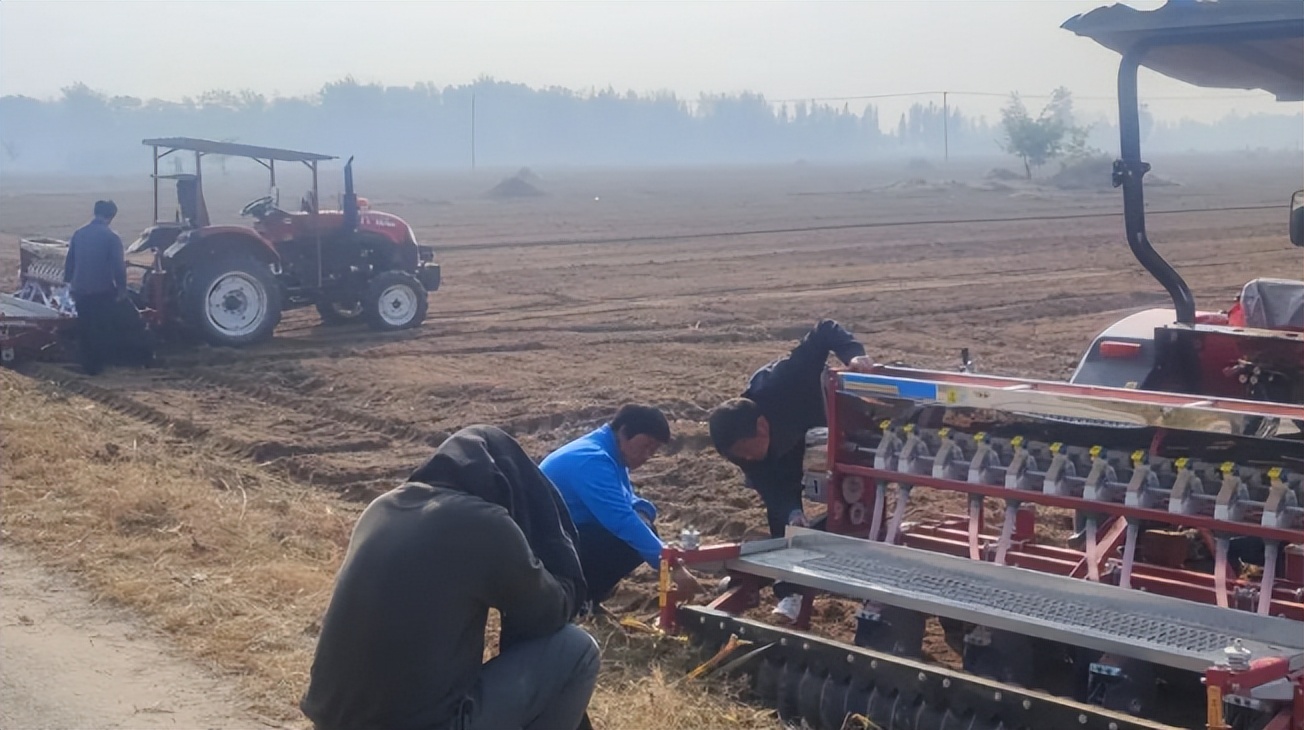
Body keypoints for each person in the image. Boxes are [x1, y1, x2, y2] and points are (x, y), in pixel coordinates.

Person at [301, 425, 600, 730]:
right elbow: (548, 611)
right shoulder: (484, 522)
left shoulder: (381, 507)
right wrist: (561, 567)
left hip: (330, 720)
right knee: (577, 650)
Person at [708, 319, 876, 621]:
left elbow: (825, 330)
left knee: (852, 498)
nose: (746, 459)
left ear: (761, 427)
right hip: (787, 448)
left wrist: (853, 355)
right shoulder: (741, 449)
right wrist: (791, 512)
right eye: (739, 457)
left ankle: (861, 566)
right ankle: (790, 592)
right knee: (783, 518)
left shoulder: (784, 379)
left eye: (747, 451)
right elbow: (773, 491)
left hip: (827, 414)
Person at [541, 404, 701, 613]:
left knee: (642, 529)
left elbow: (628, 500)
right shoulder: (592, 460)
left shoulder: (609, 453)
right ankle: (576, 600)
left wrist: (644, 513)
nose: (647, 455)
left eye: (653, 450)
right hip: (544, 545)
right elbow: (621, 520)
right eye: (646, 446)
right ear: (624, 432)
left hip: (562, 532)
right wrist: (672, 566)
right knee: (626, 542)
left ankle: (587, 598)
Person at [62, 200, 155, 375]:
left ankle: (89, 365)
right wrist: (121, 291)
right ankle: (140, 358)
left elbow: (70, 263)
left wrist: (69, 285)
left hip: (79, 291)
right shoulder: (112, 237)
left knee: (87, 326)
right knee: (128, 321)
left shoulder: (79, 233)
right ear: (111, 216)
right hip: (101, 291)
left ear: (95, 212)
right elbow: (118, 268)